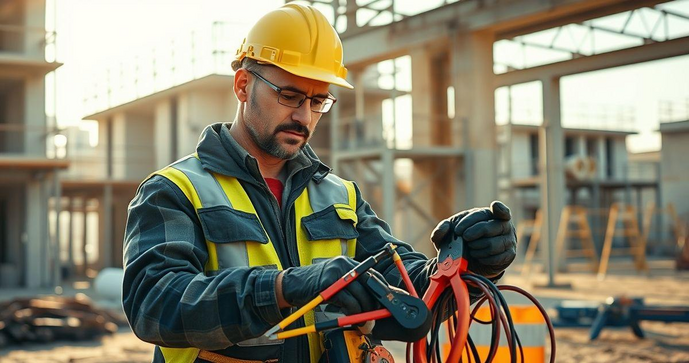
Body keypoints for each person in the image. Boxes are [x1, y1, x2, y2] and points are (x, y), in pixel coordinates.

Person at [122, 3, 517, 363]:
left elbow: (403, 292)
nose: (305, 118)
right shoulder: (175, 190)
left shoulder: (340, 195)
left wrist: (466, 264)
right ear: (243, 85)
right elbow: (155, 304)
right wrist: (284, 288)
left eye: (318, 101)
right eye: (290, 96)